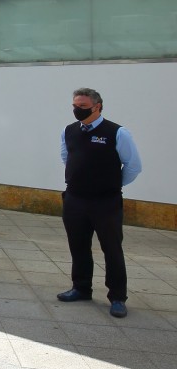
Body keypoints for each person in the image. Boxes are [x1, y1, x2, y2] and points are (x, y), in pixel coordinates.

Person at [58, 88, 142, 318]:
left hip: (106, 202)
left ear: (97, 106)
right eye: (74, 105)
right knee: (78, 246)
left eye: (82, 106)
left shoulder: (117, 132)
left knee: (112, 249)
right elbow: (67, 158)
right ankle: (81, 287)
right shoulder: (69, 131)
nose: (77, 110)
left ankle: (117, 296)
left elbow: (133, 166)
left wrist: (112, 185)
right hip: (75, 199)